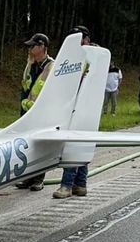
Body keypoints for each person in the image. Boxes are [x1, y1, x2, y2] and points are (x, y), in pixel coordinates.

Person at [55, 26, 94, 199]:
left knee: (73, 144)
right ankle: (80, 184)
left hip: (83, 105)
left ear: (86, 39)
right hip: (76, 104)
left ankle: (66, 185)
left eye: (79, 38)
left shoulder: (88, 57)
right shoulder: (75, 57)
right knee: (81, 144)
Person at [16, 32, 52, 190]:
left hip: (42, 113)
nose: (30, 48)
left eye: (33, 46)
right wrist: (28, 65)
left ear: (42, 46)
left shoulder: (52, 65)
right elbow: (25, 85)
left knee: (41, 146)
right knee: (28, 146)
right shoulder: (31, 63)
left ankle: (39, 179)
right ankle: (28, 177)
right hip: (27, 111)